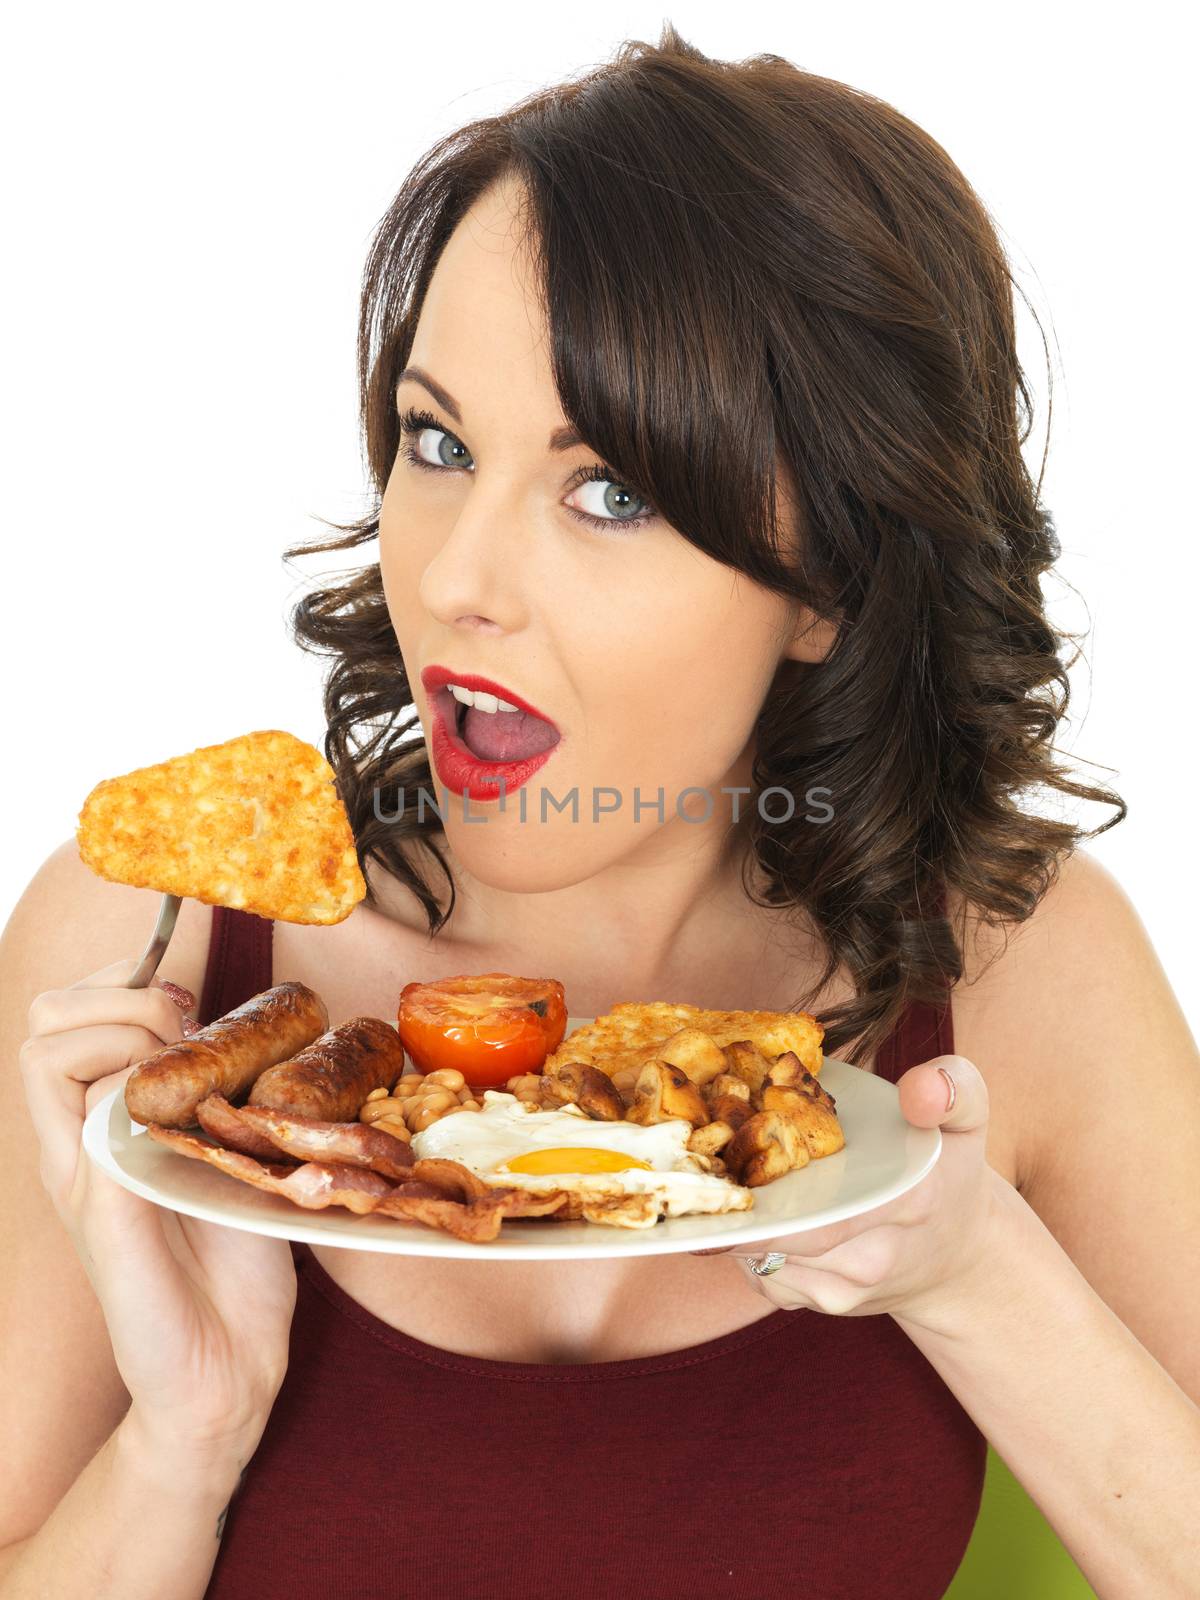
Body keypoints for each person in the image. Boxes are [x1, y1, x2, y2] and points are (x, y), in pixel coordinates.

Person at [2, 25, 1197, 1600]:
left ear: (831, 581)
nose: (452, 576)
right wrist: (185, 1437)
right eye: (439, 444)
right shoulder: (144, 965)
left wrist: (972, 1278)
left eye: (610, 489)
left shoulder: (1018, 972)